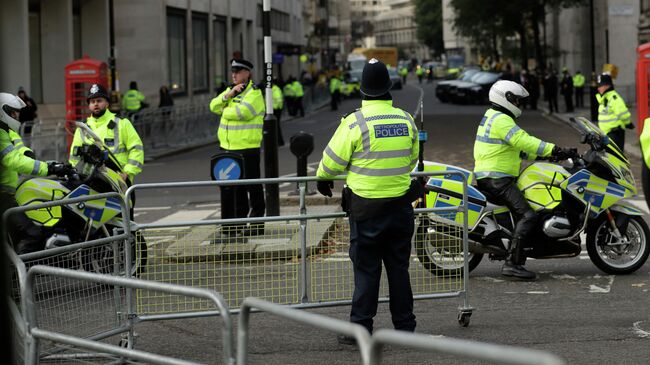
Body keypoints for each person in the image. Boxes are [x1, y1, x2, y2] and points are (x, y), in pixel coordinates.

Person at [316, 58, 420, 344]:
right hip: (400, 209)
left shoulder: (354, 123)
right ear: (389, 88)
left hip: (367, 212)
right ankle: (405, 328)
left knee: (366, 271)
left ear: (362, 90)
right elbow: (411, 160)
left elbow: (331, 161)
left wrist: (323, 177)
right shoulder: (405, 119)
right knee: (399, 270)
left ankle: (360, 329)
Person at [473, 80, 575, 280]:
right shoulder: (501, 120)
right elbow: (524, 140)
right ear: (507, 98)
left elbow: (518, 150)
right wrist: (555, 149)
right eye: (517, 100)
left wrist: (549, 156)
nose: (519, 104)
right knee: (528, 215)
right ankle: (513, 263)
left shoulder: (493, 116)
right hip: (497, 178)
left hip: (493, 175)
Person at [0, 92, 71, 254]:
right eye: (12, 113)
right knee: (32, 235)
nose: (16, 117)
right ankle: (19, 277)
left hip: (9, 193)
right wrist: (49, 169)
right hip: (2, 197)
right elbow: (14, 160)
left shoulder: (7, 131)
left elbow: (20, 152)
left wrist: (46, 163)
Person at [210, 58, 266, 235]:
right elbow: (213, 106)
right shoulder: (230, 91)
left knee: (253, 187)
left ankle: (257, 224)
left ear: (247, 73)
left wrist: (225, 109)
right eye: (233, 71)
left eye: (238, 71)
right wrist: (228, 95)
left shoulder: (254, 94)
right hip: (227, 148)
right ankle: (238, 224)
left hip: (247, 148)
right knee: (236, 188)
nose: (234, 74)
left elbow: (242, 113)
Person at [69, 84, 144, 186]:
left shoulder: (122, 123)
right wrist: (74, 173)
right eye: (92, 102)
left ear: (107, 103)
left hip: (119, 180)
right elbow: (74, 156)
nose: (95, 104)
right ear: (89, 105)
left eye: (99, 101)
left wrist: (127, 172)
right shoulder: (83, 127)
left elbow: (136, 149)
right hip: (91, 181)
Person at [596, 73, 633, 151]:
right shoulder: (605, 98)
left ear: (607, 85)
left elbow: (623, 114)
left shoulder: (614, 98)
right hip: (607, 134)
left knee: (615, 159)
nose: (598, 88)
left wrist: (627, 123)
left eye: (600, 85)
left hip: (614, 134)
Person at [271, 79, 285, 146]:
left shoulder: (275, 89)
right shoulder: (273, 89)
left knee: (276, 126)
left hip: (275, 110)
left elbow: (279, 99)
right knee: (275, 126)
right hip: (275, 110)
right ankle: (278, 142)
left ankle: (280, 142)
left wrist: (276, 107)